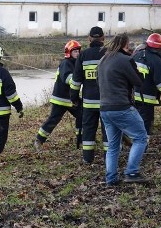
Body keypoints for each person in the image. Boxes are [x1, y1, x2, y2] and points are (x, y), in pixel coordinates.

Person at [98, 34, 149, 185]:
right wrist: (136, 66)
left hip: (105, 109)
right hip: (122, 107)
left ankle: (111, 178)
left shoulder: (102, 61)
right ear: (124, 46)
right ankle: (131, 172)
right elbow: (138, 81)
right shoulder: (126, 60)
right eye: (128, 46)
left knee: (113, 145)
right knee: (140, 137)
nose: (130, 48)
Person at [34, 40, 83, 150]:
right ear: (69, 53)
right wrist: (80, 79)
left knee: (82, 115)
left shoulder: (76, 63)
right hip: (60, 99)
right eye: (75, 51)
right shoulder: (66, 63)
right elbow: (68, 79)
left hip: (71, 98)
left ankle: (81, 139)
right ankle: (39, 140)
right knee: (53, 120)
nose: (77, 54)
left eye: (78, 51)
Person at [69, 26, 108, 164]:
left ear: (89, 38)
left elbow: (76, 81)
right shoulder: (109, 53)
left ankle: (87, 159)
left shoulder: (83, 55)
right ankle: (108, 159)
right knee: (108, 131)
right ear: (103, 38)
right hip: (107, 102)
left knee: (88, 131)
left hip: (89, 102)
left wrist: (74, 98)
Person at [133, 32, 161, 136]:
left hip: (133, 97)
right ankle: (143, 150)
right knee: (145, 127)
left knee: (135, 124)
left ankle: (134, 145)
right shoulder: (156, 61)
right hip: (146, 100)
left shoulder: (137, 55)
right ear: (159, 47)